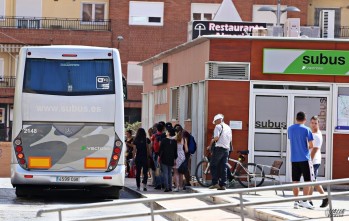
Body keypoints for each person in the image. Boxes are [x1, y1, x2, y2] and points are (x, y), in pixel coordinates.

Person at [287, 111, 315, 209]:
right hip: (305, 158)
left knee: (295, 181)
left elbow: (292, 140)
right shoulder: (307, 129)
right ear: (305, 120)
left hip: (294, 158)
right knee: (308, 180)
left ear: (296, 119)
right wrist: (305, 146)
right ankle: (304, 201)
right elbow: (311, 145)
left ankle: (296, 201)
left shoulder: (290, 129)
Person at [206, 114, 232, 190]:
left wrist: (211, 143)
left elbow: (216, 137)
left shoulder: (218, 126)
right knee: (223, 167)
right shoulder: (228, 127)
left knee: (213, 165)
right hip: (226, 149)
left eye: (215, 121)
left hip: (219, 148)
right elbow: (230, 139)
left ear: (218, 120)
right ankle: (223, 185)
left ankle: (215, 183)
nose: (215, 123)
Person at [309, 115, 329, 208]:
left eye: (315, 123)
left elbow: (315, 150)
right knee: (312, 180)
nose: (313, 125)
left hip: (314, 160)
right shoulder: (311, 133)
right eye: (312, 123)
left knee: (312, 180)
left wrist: (309, 162)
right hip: (312, 160)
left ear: (318, 124)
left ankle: (324, 197)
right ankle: (309, 200)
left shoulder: (317, 136)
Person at [159, 127, 178, 192]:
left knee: (165, 173)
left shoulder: (164, 140)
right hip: (171, 158)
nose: (166, 132)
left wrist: (159, 156)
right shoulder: (174, 141)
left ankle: (166, 187)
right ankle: (170, 187)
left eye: (167, 131)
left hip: (164, 158)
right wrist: (175, 159)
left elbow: (160, 150)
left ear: (169, 133)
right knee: (170, 173)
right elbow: (175, 151)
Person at [151, 123, 166, 190]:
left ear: (157, 128)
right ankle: (163, 183)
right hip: (163, 154)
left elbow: (151, 145)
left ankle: (158, 184)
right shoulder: (165, 135)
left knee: (157, 170)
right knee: (163, 170)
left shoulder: (154, 136)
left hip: (156, 154)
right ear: (163, 129)